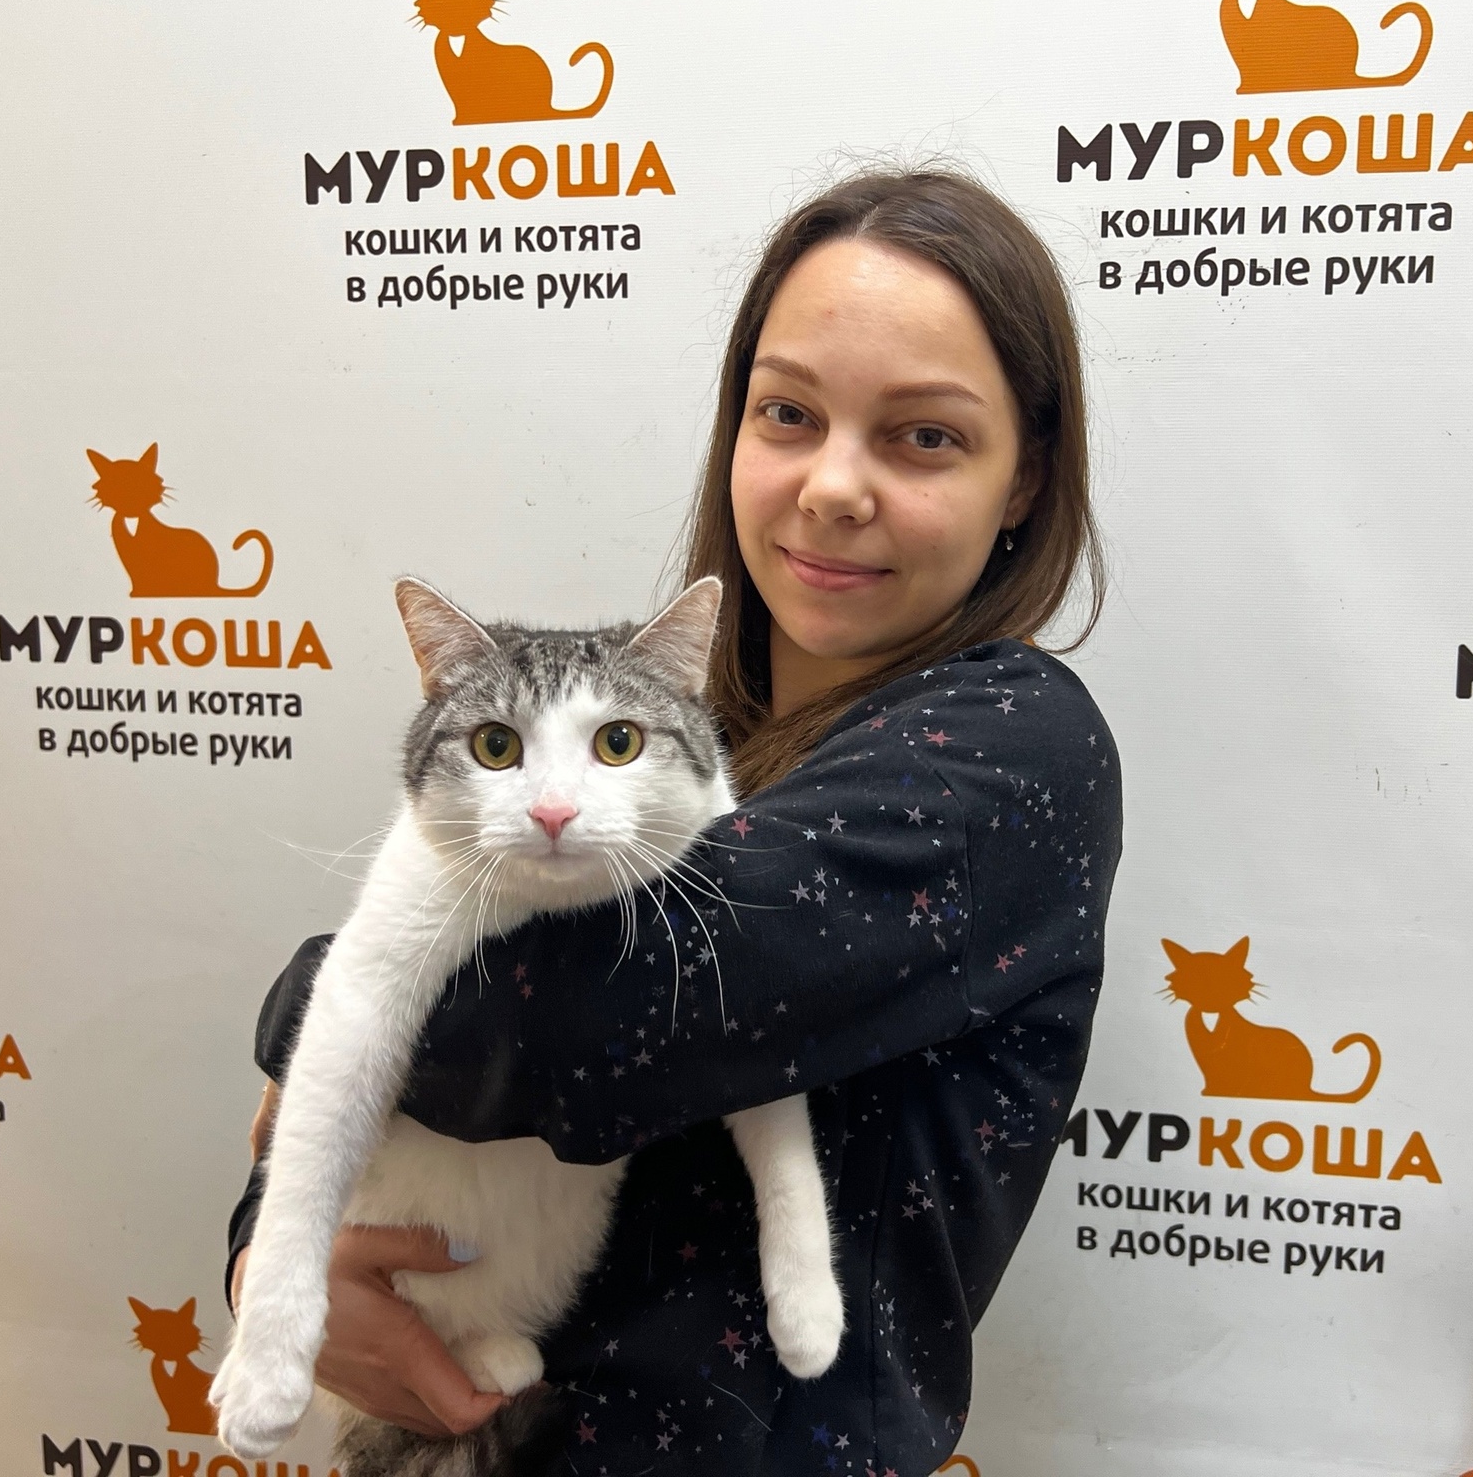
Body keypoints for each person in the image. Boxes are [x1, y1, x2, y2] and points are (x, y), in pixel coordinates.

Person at [226, 166, 1122, 1476]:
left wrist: (311, 1004)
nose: (833, 486)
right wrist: (275, 1268)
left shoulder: (1009, 751)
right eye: (789, 413)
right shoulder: (650, 734)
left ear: (1027, 476)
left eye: (924, 436)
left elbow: (582, 1020)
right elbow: (374, 1107)